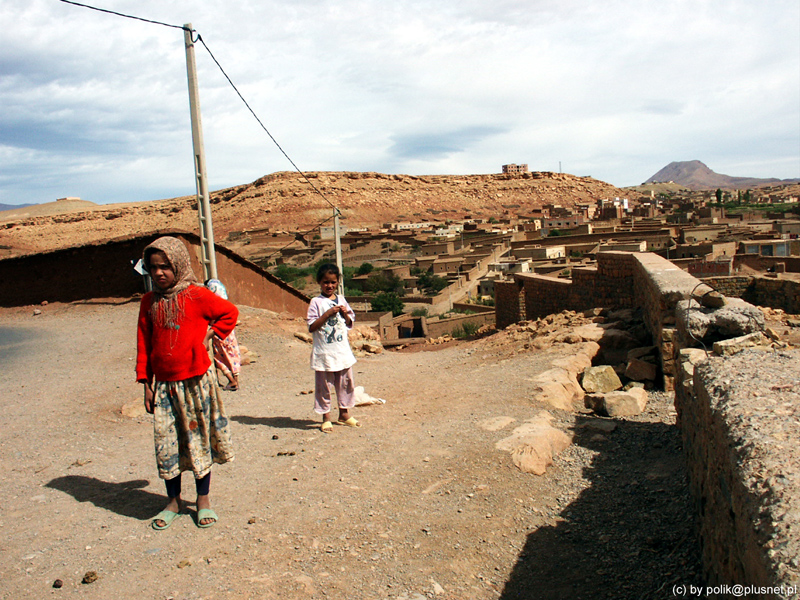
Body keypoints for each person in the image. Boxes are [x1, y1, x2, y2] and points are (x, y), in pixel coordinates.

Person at [136, 236, 238, 530]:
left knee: (198, 444)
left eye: (165, 266)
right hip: (166, 389)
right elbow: (144, 343)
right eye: (153, 267)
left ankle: (203, 500)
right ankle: (173, 501)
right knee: (167, 446)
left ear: (178, 265)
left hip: (196, 384)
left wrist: (211, 334)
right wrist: (146, 382)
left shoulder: (196, 295)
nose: (159, 273)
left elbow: (229, 313)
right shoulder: (148, 302)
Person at [307, 263, 360, 432]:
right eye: (325, 282)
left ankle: (344, 414)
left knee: (345, 383)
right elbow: (312, 326)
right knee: (324, 386)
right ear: (319, 283)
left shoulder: (342, 299)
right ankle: (326, 416)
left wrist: (345, 313)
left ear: (338, 283)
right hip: (324, 353)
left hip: (341, 351)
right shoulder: (316, 302)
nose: (329, 286)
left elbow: (350, 322)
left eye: (333, 282)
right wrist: (327, 314)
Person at [205, 278, 241, 391]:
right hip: (230, 332)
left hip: (219, 333)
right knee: (233, 354)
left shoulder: (214, 306)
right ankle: (236, 380)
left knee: (219, 358)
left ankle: (231, 380)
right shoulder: (227, 305)